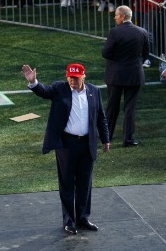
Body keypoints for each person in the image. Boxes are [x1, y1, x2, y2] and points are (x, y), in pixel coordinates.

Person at [21, 63, 111, 235]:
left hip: (87, 144)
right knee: (67, 183)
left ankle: (83, 218)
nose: (72, 80)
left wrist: (106, 139)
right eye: (70, 77)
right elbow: (44, 92)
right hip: (66, 145)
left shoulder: (94, 91)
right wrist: (33, 82)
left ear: (83, 76)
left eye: (76, 78)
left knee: (85, 183)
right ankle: (69, 220)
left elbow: (101, 117)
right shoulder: (59, 88)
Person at [102, 5, 151, 148]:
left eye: (116, 15)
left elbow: (106, 53)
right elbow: (146, 52)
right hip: (134, 75)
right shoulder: (142, 32)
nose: (115, 17)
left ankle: (106, 136)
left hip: (116, 75)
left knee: (112, 107)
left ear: (123, 17)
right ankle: (128, 139)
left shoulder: (115, 32)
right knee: (130, 108)